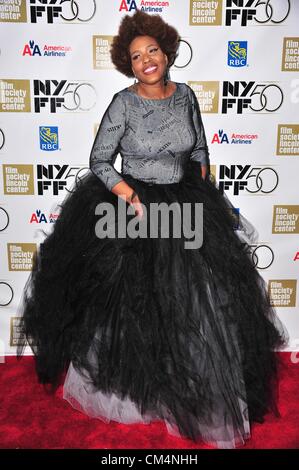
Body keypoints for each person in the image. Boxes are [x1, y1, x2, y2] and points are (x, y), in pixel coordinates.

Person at [16, 9, 288, 449]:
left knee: (192, 303)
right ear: (129, 63)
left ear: (166, 53)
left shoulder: (186, 98)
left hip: (183, 203)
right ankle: (132, 393)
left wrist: (201, 196)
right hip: (131, 208)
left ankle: (184, 389)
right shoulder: (123, 103)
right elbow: (99, 161)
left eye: (153, 50)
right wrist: (129, 195)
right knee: (131, 306)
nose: (147, 60)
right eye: (137, 54)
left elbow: (198, 149)